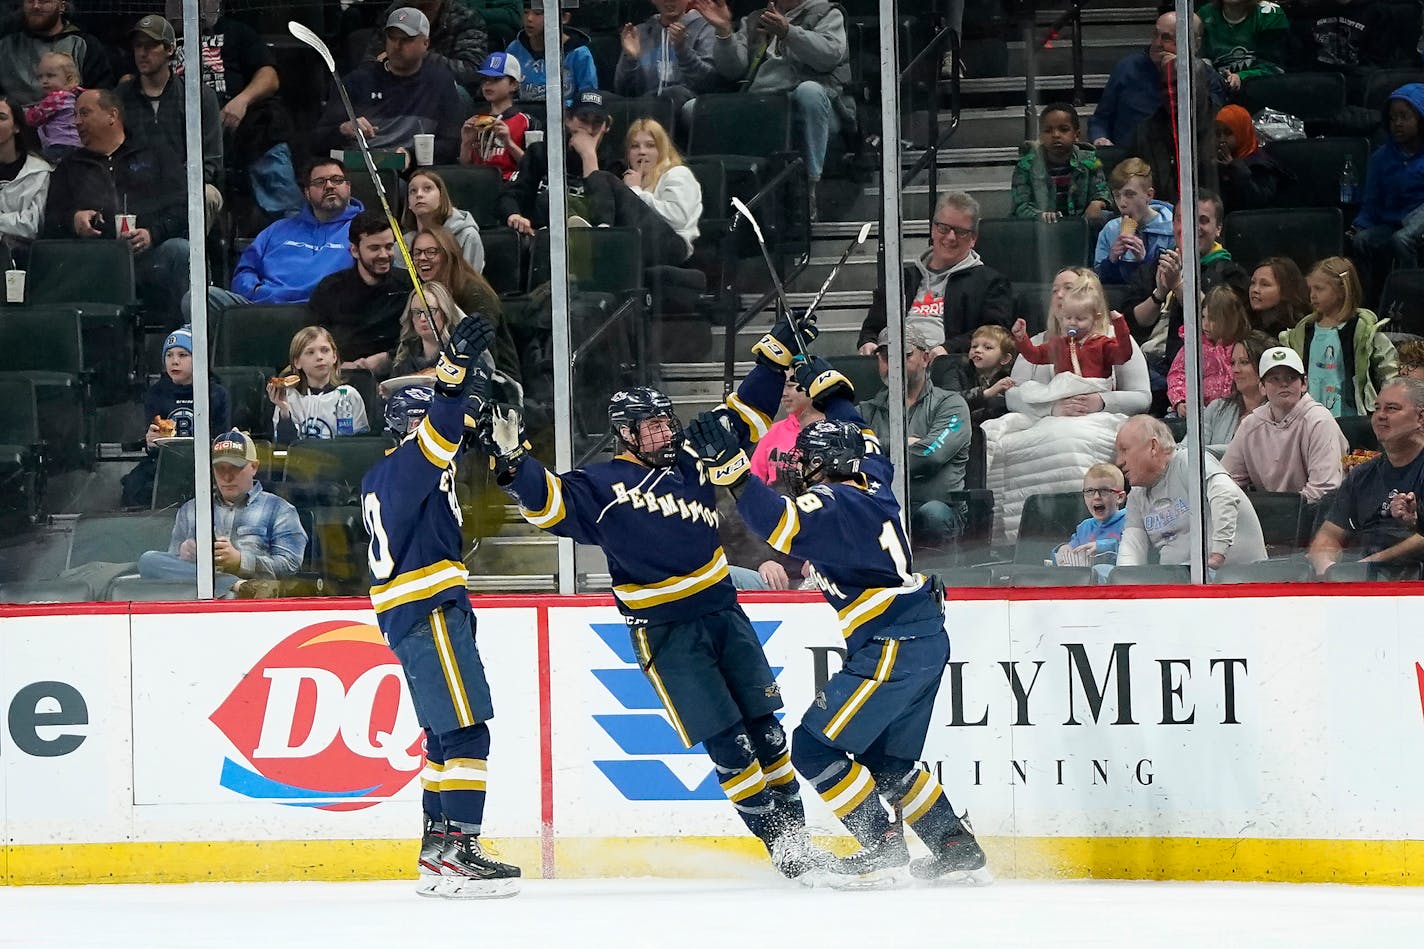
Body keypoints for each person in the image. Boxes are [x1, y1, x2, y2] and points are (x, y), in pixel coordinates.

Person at [483, 315, 831, 881]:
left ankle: (801, 841)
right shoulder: (597, 486)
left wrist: (777, 354)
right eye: (649, 426)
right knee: (730, 746)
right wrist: (513, 461)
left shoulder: (694, 457)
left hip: (723, 612)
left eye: (666, 421)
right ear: (624, 433)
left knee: (768, 732)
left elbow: (747, 411)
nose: (664, 432)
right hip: (666, 634)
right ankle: (784, 852)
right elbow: (546, 502)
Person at [681, 367, 987, 885]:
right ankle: (955, 848)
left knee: (813, 746)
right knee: (887, 762)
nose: (799, 469)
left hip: (894, 640)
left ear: (829, 465)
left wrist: (734, 472)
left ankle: (881, 847)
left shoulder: (835, 502)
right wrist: (832, 390)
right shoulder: (873, 476)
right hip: (916, 636)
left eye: (808, 461)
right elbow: (856, 431)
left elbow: (776, 521)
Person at [359, 315, 523, 898]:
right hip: (427, 609)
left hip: (418, 610)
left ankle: (438, 848)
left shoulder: (399, 474)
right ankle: (459, 848)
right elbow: (441, 432)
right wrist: (453, 378)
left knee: (442, 735)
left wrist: (470, 393)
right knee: (468, 732)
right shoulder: (408, 464)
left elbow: (455, 435)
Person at [41, 88, 190, 325]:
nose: (77, 122)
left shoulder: (155, 154)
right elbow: (49, 223)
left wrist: (153, 233)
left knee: (180, 252)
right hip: (94, 263)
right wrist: (74, 220)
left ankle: (185, 342)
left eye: (84, 113)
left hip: (148, 258)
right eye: (75, 115)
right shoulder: (69, 167)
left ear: (112, 115)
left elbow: (184, 207)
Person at [696, 0, 851, 217]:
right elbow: (733, 70)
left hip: (817, 106)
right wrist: (724, 33)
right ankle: (711, 201)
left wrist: (788, 32)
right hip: (764, 103)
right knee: (690, 110)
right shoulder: (754, 19)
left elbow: (828, 56)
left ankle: (810, 190)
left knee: (809, 92)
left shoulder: (826, 12)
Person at [170, 0, 302, 218]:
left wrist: (242, 100)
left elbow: (269, 77)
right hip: (181, 133)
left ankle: (292, 233)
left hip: (240, 127)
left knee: (268, 131)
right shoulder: (160, 40)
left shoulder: (237, 32)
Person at [137, 429, 307, 598]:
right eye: (220, 468)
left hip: (254, 603)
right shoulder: (190, 510)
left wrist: (240, 561)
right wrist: (182, 555)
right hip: (200, 598)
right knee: (148, 560)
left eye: (235, 468)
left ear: (254, 467)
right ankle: (234, 584)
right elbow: (169, 568)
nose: (227, 477)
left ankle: (232, 585)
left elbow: (291, 566)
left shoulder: (279, 509)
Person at [858, 320, 971, 551]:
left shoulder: (951, 404)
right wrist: (901, 444)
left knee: (933, 514)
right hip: (880, 507)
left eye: (905, 355)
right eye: (886, 357)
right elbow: (848, 455)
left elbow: (931, 456)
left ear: (925, 358)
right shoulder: (865, 410)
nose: (894, 365)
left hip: (937, 510)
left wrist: (874, 451)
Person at [856, 192, 1013, 356]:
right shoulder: (903, 279)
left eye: (960, 232)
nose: (951, 237)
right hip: (892, 358)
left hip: (947, 365)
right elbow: (871, 328)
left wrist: (948, 349)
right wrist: (869, 342)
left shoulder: (991, 282)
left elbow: (994, 334)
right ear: (933, 229)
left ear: (973, 238)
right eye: (944, 228)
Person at [205, 157, 365, 316]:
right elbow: (246, 270)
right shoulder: (277, 229)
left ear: (348, 187)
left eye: (337, 180)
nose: (329, 186)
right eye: (320, 182)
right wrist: (257, 292)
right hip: (263, 309)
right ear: (307, 193)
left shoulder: (365, 230)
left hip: (323, 313)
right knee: (203, 298)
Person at [313, 7, 464, 167]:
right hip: (364, 169)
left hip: (415, 172)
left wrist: (412, 156)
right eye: (392, 38)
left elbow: (452, 143)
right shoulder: (356, 81)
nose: (397, 45)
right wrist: (343, 129)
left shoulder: (440, 82)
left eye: (406, 39)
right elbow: (318, 141)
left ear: (425, 43)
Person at [1114, 414, 1267, 569]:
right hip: (1182, 581)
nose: (1119, 461)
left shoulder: (1189, 460)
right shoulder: (1137, 493)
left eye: (1124, 450)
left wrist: (1219, 553)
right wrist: (1125, 584)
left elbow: (1224, 493)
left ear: (1153, 446)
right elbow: (1132, 545)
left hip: (1234, 577)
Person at [1308, 377, 1424, 577]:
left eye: (1392, 409)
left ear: (1421, 418)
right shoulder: (1362, 475)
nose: (1380, 416)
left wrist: (1369, 564)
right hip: (1360, 582)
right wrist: (1328, 569)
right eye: (1376, 408)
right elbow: (1329, 534)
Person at [1126, 190, 1248, 373]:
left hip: (1194, 372)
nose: (1191, 227)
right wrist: (1159, 294)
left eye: (1203, 220)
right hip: (1143, 366)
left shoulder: (1231, 274)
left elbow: (1223, 324)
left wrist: (1177, 285)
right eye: (1183, 219)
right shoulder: (1155, 266)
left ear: (1218, 228)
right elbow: (1132, 322)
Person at [117, 15, 224, 223]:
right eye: (138, 46)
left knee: (207, 195)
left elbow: (211, 160)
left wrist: (174, 183)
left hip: (184, 186)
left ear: (170, 49)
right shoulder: (121, 96)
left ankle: (195, 254)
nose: (142, 53)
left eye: (150, 46)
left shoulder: (198, 96)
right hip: (136, 186)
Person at [1008, 267, 1153, 418]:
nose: (1060, 295)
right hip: (1046, 425)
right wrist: (1051, 408)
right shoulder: (1035, 343)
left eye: (1069, 288)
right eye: (1054, 290)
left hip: (1100, 425)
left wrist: (1102, 402)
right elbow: (1012, 397)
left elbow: (1142, 398)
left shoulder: (1113, 338)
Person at [119, 325, 231, 509]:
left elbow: (222, 439)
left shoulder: (217, 393)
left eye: (182, 355)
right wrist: (151, 442)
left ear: (198, 359)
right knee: (134, 485)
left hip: (205, 462)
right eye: (169, 355)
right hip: (165, 462)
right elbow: (153, 444)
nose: (174, 361)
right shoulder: (156, 394)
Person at [1222, 345, 1348, 504]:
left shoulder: (1319, 421)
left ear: (1304, 384)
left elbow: (1324, 490)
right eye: (1274, 378)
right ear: (1262, 387)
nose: (1283, 384)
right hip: (1269, 518)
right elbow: (1226, 482)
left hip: (1316, 518)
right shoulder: (1250, 424)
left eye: (1291, 377)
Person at [1281, 255, 1398, 418]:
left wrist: (1386, 405)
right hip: (1308, 415)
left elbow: (1388, 370)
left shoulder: (1362, 330)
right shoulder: (1304, 331)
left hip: (1350, 416)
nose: (1312, 295)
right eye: (1311, 289)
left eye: (1319, 289)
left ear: (1342, 290)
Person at [497, 90, 625, 235]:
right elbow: (511, 195)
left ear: (606, 127)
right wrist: (514, 216)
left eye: (596, 123)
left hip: (591, 240)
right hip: (541, 235)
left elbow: (606, 222)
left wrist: (589, 158)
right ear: (568, 119)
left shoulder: (613, 165)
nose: (589, 129)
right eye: (583, 119)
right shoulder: (541, 153)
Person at [1089, 11, 1222, 147]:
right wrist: (1100, 137)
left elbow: (1210, 122)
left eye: (1166, 38)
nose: (1157, 43)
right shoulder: (1127, 68)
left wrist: (1177, 72)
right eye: (1155, 34)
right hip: (1130, 161)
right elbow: (1100, 119)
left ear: (1195, 44)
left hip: (1183, 159)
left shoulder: (1207, 76)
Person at [407, 228, 520, 381]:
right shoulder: (420, 294)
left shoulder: (475, 292)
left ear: (448, 255)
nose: (422, 258)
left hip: (491, 378)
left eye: (431, 252)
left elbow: (482, 346)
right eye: (417, 253)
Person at [307, 210, 410, 375]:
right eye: (374, 248)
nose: (384, 255)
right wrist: (337, 366)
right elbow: (311, 341)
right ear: (354, 251)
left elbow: (421, 339)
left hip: (397, 372)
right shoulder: (330, 289)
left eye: (389, 247)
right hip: (341, 375)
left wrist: (387, 358)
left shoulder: (409, 284)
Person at [1349, 83, 1424, 300]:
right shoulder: (1381, 157)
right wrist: (1360, 225)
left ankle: (1412, 296)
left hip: (1418, 217)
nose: (1397, 124)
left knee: (1402, 240)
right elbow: (1372, 200)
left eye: (1404, 117)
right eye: (1392, 118)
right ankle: (1370, 299)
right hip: (1393, 222)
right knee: (1362, 241)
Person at [1012, 279, 1133, 381]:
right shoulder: (1058, 344)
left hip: (1094, 394)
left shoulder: (1103, 344)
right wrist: (1022, 338)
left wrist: (1119, 325)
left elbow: (1124, 355)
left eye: (1080, 319)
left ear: (1096, 318)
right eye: (1068, 317)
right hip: (1065, 395)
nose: (1072, 323)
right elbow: (1035, 356)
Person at [1010, 102, 1111, 225]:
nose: (1056, 135)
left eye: (1064, 129)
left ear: (1076, 135)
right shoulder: (1026, 165)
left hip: (1082, 226)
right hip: (1041, 229)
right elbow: (1020, 206)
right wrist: (1040, 215)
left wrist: (1098, 202)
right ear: (1040, 136)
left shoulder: (1091, 160)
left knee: (1104, 216)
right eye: (1048, 130)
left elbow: (1103, 192)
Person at [267, 326, 370, 444]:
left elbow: (361, 446)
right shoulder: (289, 397)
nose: (319, 357)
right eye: (310, 352)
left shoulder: (349, 395)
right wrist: (284, 411)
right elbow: (284, 448)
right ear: (297, 362)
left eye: (325, 350)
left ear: (334, 357)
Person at [0, 0, 114, 107]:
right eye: (30, 1)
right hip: (14, 123)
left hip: (67, 122)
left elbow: (100, 98)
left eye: (44, 1)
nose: (35, 6)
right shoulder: (5, 46)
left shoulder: (84, 45)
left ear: (62, 6)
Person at [362, 0, 491, 92]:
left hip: (437, 90)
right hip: (394, 85)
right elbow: (369, 62)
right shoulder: (396, 13)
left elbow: (471, 72)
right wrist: (385, 65)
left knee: (459, 93)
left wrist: (420, 56)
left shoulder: (465, 18)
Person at [622, 116, 702, 263]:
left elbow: (677, 219)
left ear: (662, 149)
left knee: (607, 180)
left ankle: (603, 229)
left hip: (674, 245)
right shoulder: (635, 182)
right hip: (642, 241)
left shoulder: (678, 173)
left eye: (650, 145)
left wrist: (636, 192)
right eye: (634, 146)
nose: (642, 151)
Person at [615, 0, 720, 109]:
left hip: (691, 107)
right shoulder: (639, 33)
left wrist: (682, 50)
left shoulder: (705, 28)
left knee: (674, 94)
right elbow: (622, 90)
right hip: (645, 106)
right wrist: (630, 59)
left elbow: (709, 83)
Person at [1167, 283, 1251, 417]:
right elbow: (1177, 375)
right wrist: (1180, 401)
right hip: (1200, 412)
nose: (1205, 324)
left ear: (1230, 319)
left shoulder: (1244, 347)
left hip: (1236, 410)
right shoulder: (1194, 347)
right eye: (1203, 317)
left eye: (1212, 319)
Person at [1093, 157, 1174, 285]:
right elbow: (1097, 282)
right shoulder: (1110, 230)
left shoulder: (1171, 230)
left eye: (1129, 194)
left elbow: (1171, 282)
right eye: (1117, 195)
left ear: (1149, 195)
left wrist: (1145, 260)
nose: (1122, 203)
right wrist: (1111, 260)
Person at [506, 0, 598, 106]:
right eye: (526, 12)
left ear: (564, 18)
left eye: (538, 13)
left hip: (566, 118)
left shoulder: (579, 53)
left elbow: (588, 98)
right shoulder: (514, 49)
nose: (529, 18)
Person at [459, 52, 535, 180]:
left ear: (514, 84)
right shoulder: (476, 119)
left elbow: (533, 167)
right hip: (478, 183)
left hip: (510, 184)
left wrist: (508, 143)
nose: (488, 84)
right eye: (485, 79)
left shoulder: (525, 121)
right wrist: (466, 143)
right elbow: (465, 165)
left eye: (496, 79)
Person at [0, 95, 52, 268]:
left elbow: (32, 225)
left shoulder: (39, 171)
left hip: (23, 261)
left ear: (16, 126)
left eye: (1, 118)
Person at [1202, 330, 1273, 451]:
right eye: (1233, 363)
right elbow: (1187, 449)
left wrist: (1203, 453)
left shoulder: (1279, 413)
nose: (1235, 369)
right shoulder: (1217, 408)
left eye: (1244, 362)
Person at [403, 168, 485, 273]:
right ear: (409, 204)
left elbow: (471, 284)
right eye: (413, 191)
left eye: (427, 188)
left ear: (441, 197)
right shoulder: (403, 243)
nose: (419, 194)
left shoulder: (467, 235)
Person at [1199, 0, 1289, 92]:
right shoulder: (1204, 13)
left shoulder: (1269, 13)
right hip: (1216, 88)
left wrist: (1241, 76)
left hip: (1259, 88)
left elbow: (1274, 67)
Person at [1213, 104, 1288, 213]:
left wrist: (1235, 169)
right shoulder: (1215, 160)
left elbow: (1257, 202)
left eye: (1228, 133)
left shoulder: (1261, 165)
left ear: (1242, 132)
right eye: (1218, 134)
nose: (1222, 139)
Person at [1053, 463, 1127, 568]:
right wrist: (1062, 550)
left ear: (1119, 497)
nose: (1096, 496)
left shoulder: (1129, 520)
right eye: (1090, 491)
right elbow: (1070, 552)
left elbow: (1135, 549)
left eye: (1104, 491)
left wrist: (1103, 547)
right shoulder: (1084, 527)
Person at [954, 324, 1016, 425]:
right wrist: (987, 393)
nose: (977, 350)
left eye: (987, 347)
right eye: (974, 346)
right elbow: (950, 402)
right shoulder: (959, 370)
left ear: (1005, 359)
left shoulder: (1007, 379)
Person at [24, 51, 82, 160]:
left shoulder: (56, 99)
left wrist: (19, 112)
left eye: (50, 76)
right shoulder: (77, 94)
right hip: (78, 144)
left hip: (60, 145)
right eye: (40, 77)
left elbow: (34, 117)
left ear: (69, 78)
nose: (44, 81)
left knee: (34, 161)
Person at [1247, 255, 1308, 336]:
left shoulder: (1299, 330)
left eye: (1265, 284)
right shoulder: (1244, 324)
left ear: (1286, 289)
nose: (1255, 289)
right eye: (1253, 283)